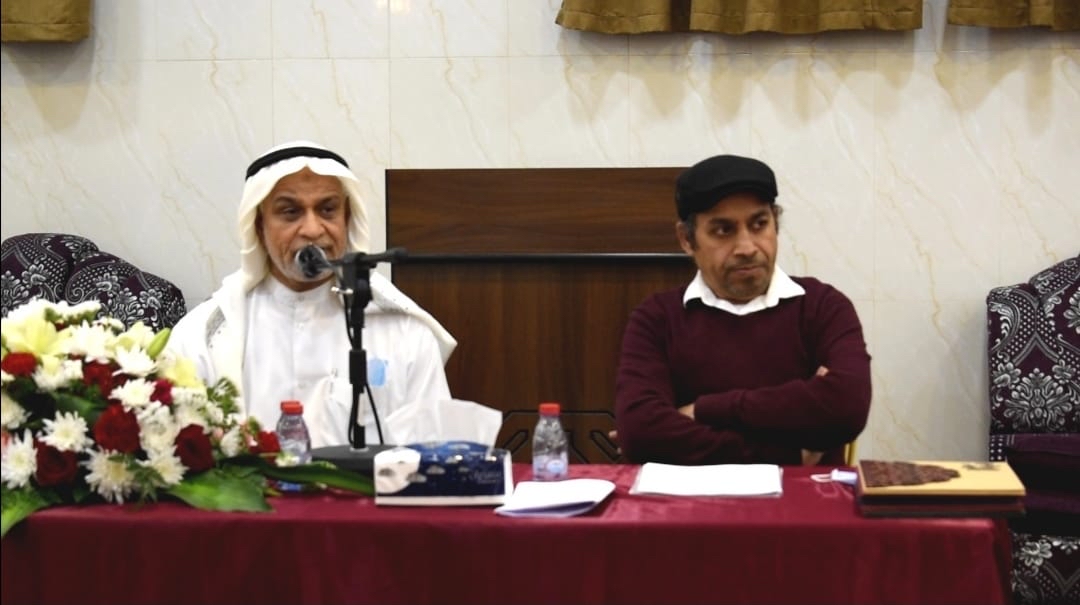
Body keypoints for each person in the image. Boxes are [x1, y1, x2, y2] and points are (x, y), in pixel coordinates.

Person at [167, 141, 456, 448]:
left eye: (327, 210)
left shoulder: (402, 329)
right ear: (259, 226)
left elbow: (434, 449)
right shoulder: (205, 335)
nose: (312, 229)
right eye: (290, 212)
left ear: (347, 218)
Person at [614, 154, 871, 466]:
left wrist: (702, 410)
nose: (747, 247)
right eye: (723, 230)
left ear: (775, 222)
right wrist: (787, 452)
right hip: (692, 499)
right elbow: (641, 433)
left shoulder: (823, 307)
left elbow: (846, 406)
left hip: (807, 496)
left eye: (759, 224)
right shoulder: (657, 318)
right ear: (686, 239)